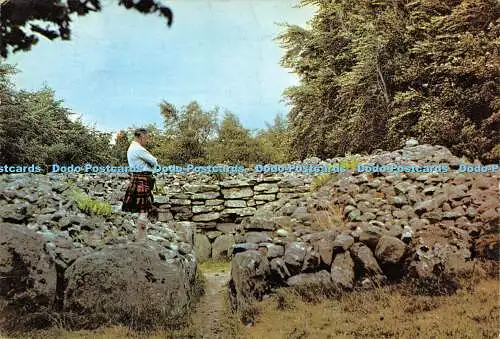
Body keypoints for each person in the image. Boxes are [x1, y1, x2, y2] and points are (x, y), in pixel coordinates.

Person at [122, 128, 158, 241]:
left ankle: (140, 237)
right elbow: (154, 161)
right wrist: (151, 164)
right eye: (146, 138)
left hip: (137, 177)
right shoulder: (138, 149)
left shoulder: (131, 148)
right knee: (144, 210)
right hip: (142, 178)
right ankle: (141, 239)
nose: (146, 140)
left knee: (141, 210)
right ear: (141, 136)